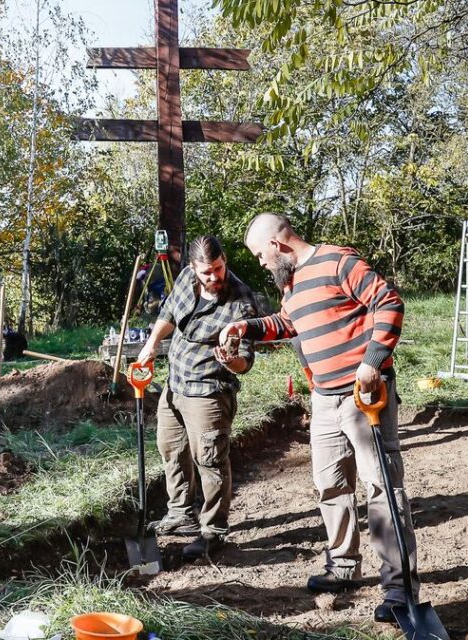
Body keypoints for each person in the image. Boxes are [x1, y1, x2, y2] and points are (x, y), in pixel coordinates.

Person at [218, 213, 415, 624]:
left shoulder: (338, 262)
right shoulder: (291, 283)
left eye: (259, 255)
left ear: (278, 244)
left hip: (364, 395)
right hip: (324, 397)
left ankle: (399, 587)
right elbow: (290, 324)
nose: (260, 264)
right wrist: (246, 327)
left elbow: (389, 302)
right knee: (330, 484)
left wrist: (373, 360)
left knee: (381, 485)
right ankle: (343, 564)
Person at [135, 236, 257, 559]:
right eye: (207, 272)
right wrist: (151, 344)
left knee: (210, 459)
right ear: (193, 268)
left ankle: (214, 531)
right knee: (170, 447)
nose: (214, 277)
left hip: (209, 390)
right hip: (175, 383)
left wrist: (230, 360)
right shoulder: (188, 278)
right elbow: (169, 312)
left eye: (218, 269)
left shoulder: (240, 301)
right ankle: (180, 513)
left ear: (225, 260)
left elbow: (245, 361)